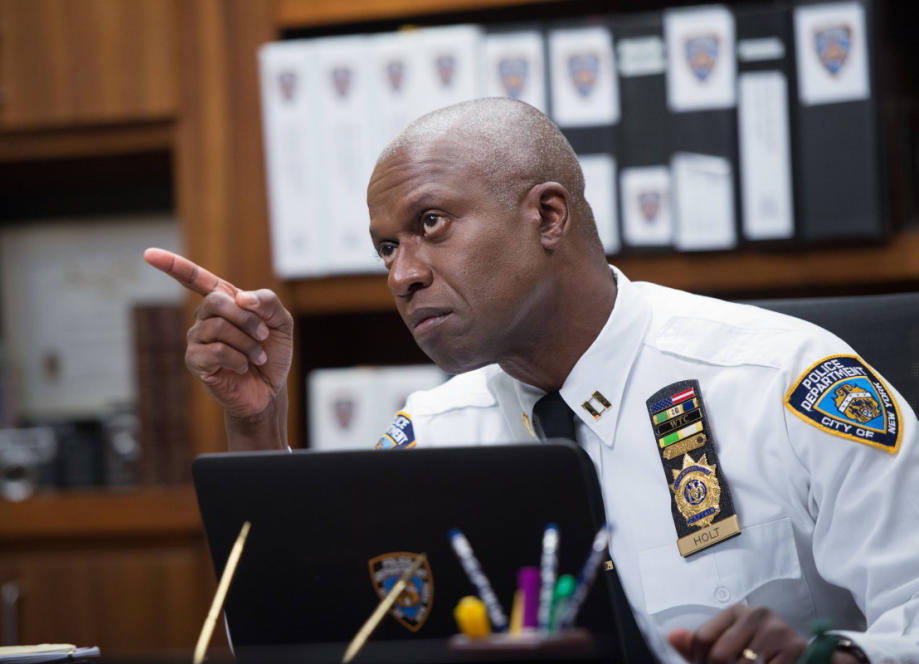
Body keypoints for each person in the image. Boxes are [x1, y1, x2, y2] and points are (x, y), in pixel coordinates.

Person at [145, 98, 919, 663]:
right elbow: (306, 643)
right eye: (386, 249)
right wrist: (256, 425)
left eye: (430, 225)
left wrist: (837, 659)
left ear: (548, 216)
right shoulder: (431, 436)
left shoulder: (781, 382)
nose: (404, 275)